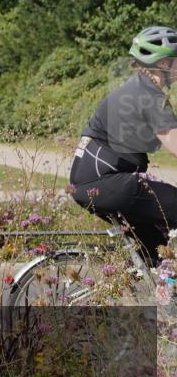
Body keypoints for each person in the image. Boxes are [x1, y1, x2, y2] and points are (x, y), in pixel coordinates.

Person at [69, 25, 177, 265]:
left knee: (155, 250)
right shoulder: (151, 97)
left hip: (94, 183)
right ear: (163, 64)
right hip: (108, 184)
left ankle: (134, 289)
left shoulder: (138, 89)